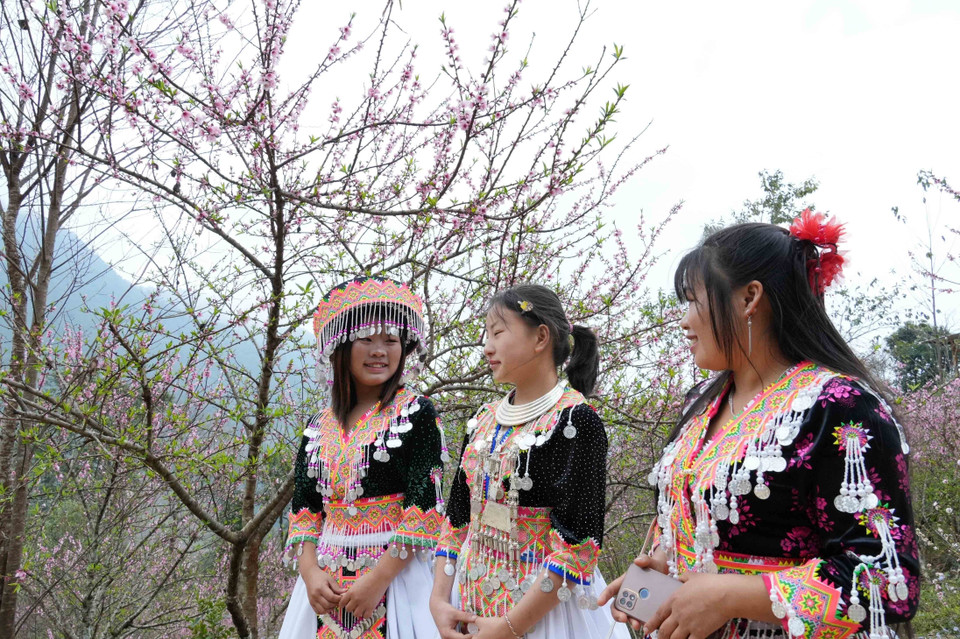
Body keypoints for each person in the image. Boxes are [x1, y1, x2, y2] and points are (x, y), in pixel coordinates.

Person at [599, 211, 920, 639]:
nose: (683, 320)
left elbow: (887, 580)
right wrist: (666, 565)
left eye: (693, 300)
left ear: (750, 297)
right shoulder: (703, 406)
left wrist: (734, 596)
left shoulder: (839, 407)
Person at [430, 284, 630, 639]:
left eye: (497, 333)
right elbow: (457, 519)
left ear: (540, 337)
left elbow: (577, 545)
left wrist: (510, 627)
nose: (487, 347)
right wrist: (439, 601)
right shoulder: (482, 420)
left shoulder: (575, 422)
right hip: (470, 600)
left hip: (545, 616)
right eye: (485, 336)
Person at [279, 277, 447, 639]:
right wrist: (309, 573)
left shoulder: (416, 414)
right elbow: (306, 508)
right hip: (326, 581)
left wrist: (378, 580)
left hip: (397, 578)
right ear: (341, 345)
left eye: (391, 340)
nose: (379, 351)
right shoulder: (317, 426)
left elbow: (424, 506)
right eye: (366, 339)